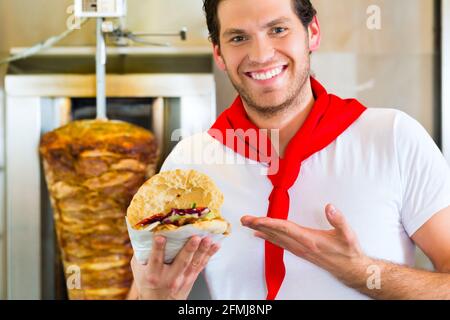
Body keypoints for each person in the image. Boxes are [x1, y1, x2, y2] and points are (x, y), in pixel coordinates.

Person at [128, 0, 450, 300]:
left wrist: (361, 272)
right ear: (219, 54)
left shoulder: (393, 138)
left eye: (278, 30)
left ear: (312, 33)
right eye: (239, 38)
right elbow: (146, 284)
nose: (261, 54)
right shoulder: (189, 167)